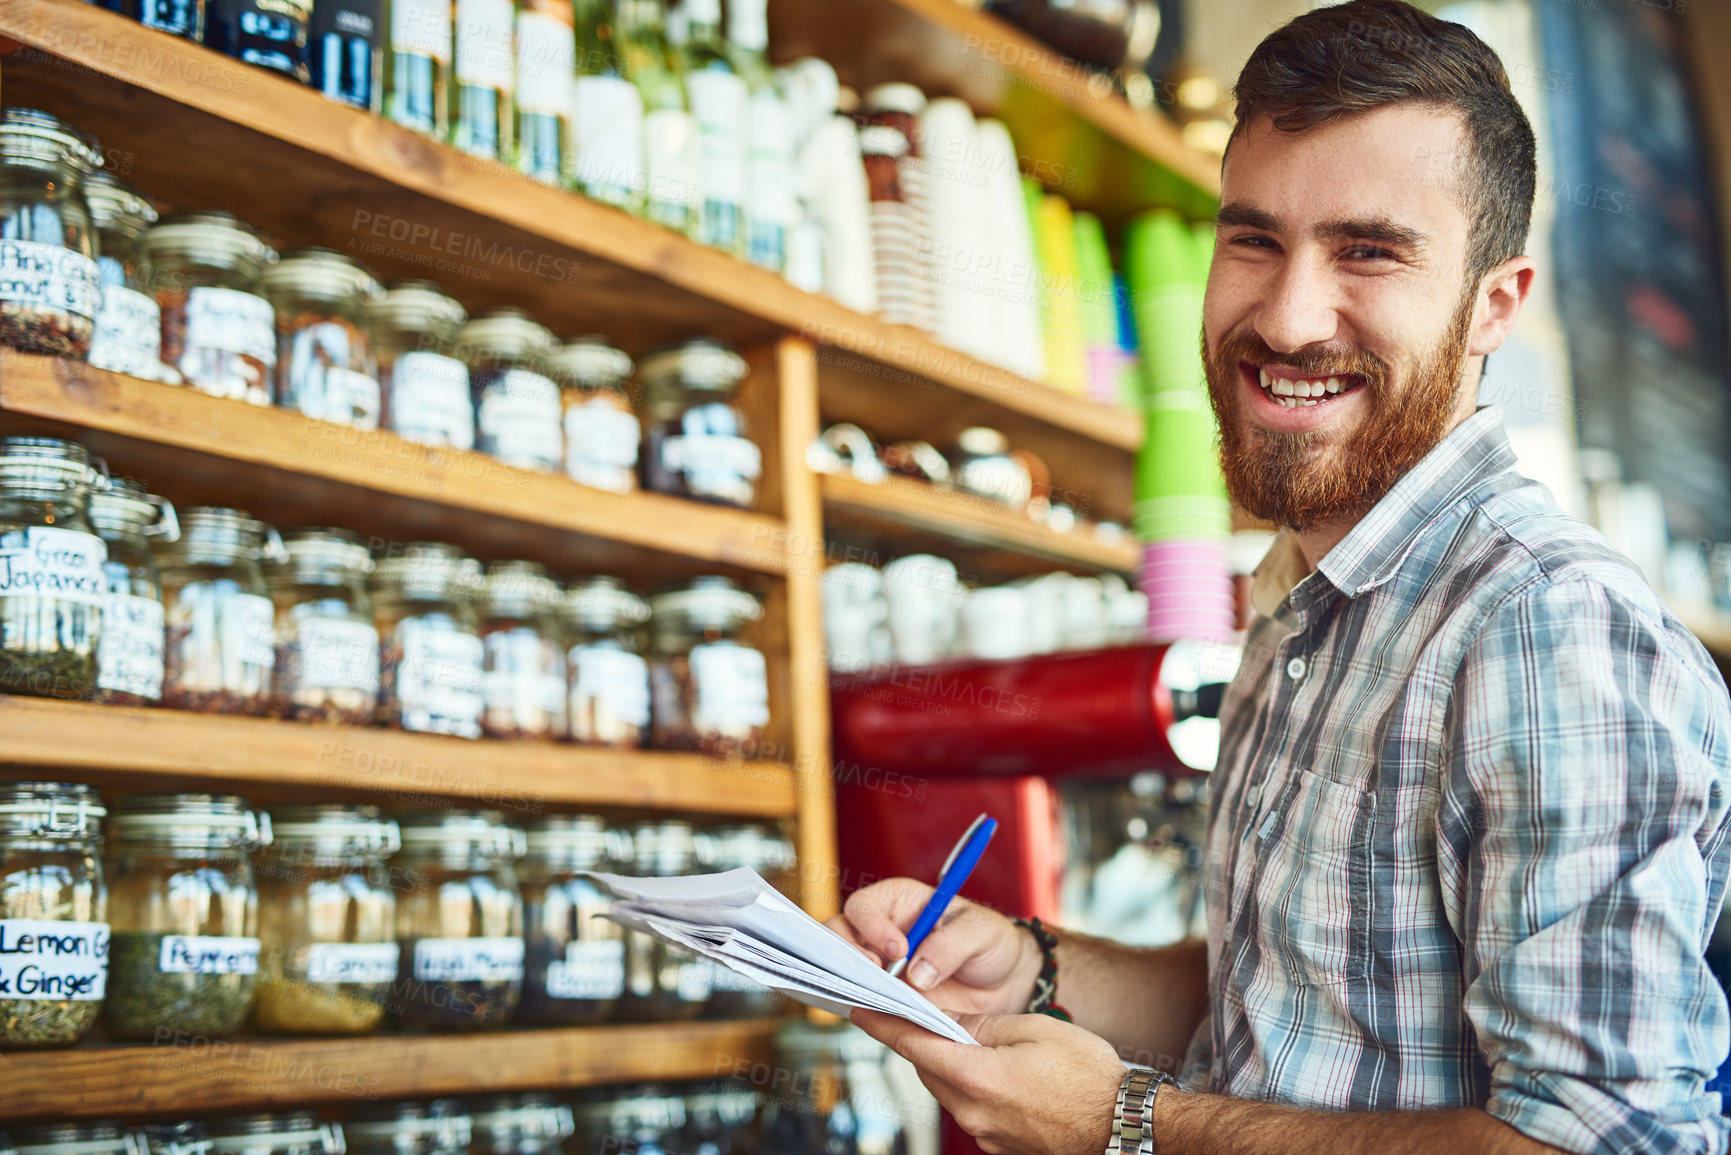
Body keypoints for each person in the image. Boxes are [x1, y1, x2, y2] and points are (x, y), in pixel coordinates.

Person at [825, 2, 1731, 1152]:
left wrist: (1124, 1127)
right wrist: (1030, 967)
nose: (1289, 316)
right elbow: (1289, 1008)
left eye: (1369, 250)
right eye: (1254, 239)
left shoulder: (1551, 627)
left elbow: (1595, 1145)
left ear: (1494, 304)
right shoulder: (1294, 600)